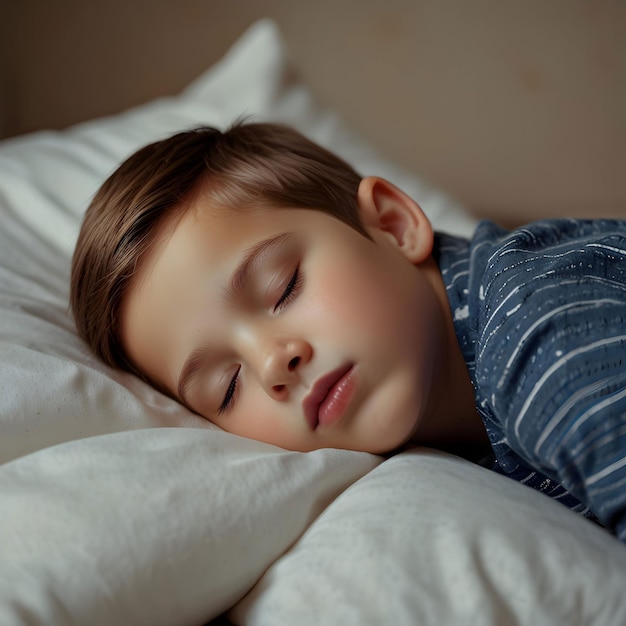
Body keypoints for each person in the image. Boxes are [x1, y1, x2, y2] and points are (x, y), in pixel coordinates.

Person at [71, 122, 626, 542]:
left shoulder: (540, 337)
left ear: (392, 223)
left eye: (283, 288)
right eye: (228, 386)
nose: (272, 363)